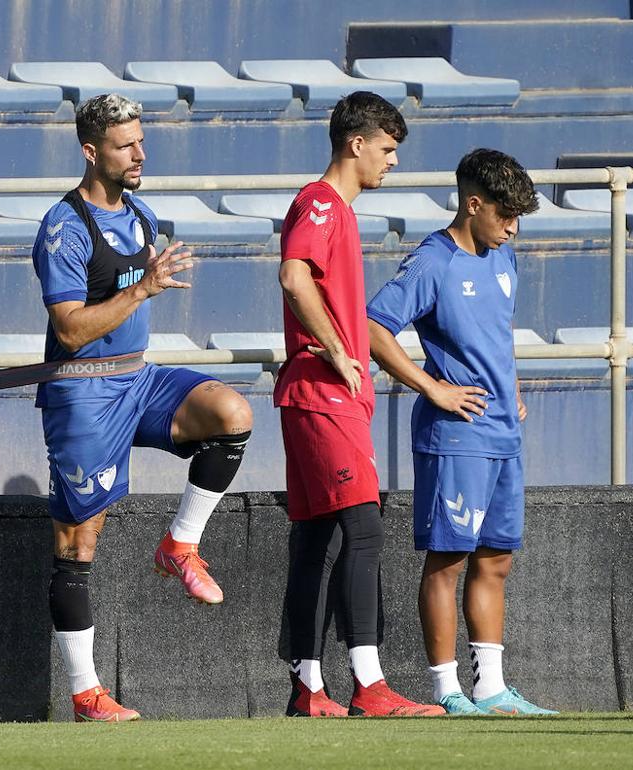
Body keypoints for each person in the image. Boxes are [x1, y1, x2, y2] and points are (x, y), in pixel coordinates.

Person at [32, 93, 254, 722]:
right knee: (79, 541)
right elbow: (71, 330)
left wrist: (144, 286)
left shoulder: (140, 213)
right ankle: (85, 695)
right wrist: (144, 287)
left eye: (141, 141)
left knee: (231, 413)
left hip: (138, 379)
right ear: (90, 151)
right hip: (84, 389)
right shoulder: (64, 228)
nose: (139, 154)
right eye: (126, 144)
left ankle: (179, 545)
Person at [366, 147, 556, 715]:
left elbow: (500, 328)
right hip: (456, 435)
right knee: (447, 561)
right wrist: (434, 387)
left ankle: (492, 688)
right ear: (473, 205)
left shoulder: (505, 257)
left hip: (502, 433)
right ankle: (446, 689)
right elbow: (373, 327)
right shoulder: (433, 262)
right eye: (505, 215)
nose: (512, 229)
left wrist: (513, 386)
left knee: (497, 558)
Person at [275, 91, 443, 718]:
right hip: (322, 395)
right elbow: (293, 277)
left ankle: (309, 689)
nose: (391, 162)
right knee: (365, 529)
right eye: (388, 149)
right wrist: (337, 350)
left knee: (317, 538)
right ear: (356, 143)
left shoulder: (337, 212)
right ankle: (369, 686)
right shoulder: (320, 203)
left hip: (324, 397)